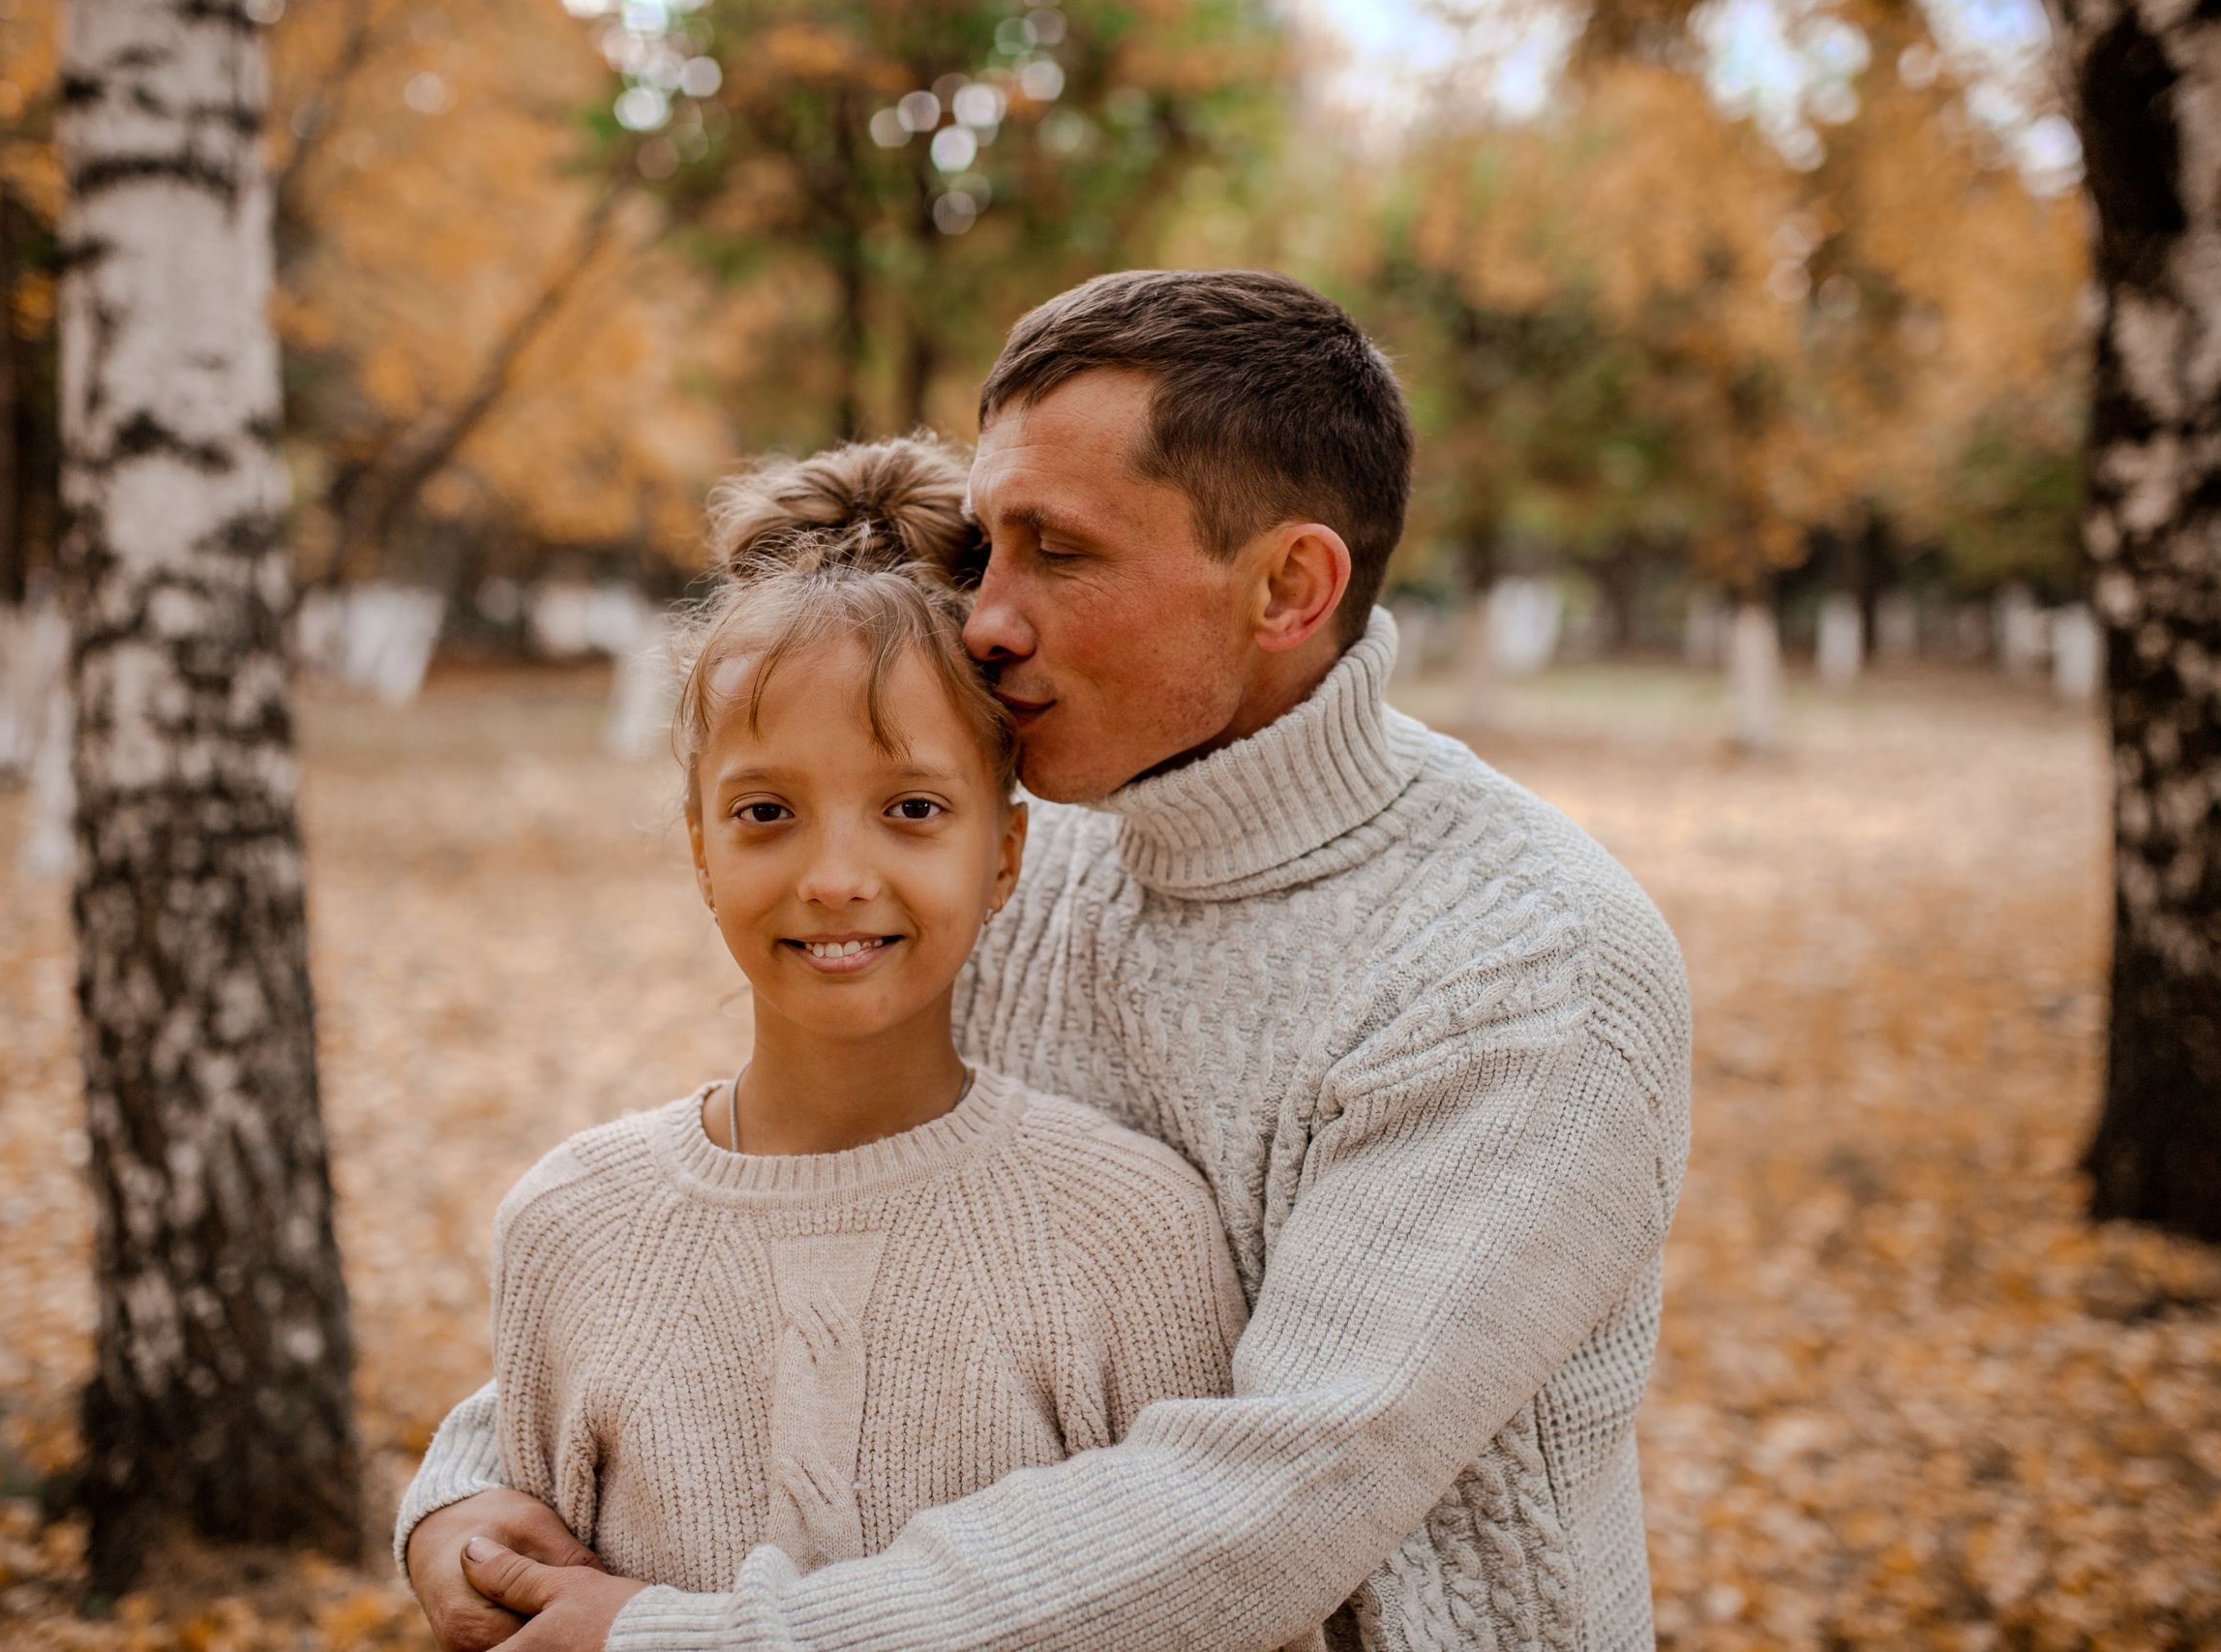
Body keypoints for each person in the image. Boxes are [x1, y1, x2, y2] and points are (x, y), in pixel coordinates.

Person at [405, 269, 1693, 1652]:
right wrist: (469, 1489)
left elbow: (1262, 1507)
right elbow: (776, 1203)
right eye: (986, 547)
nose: (985, 618)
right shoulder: (1043, 854)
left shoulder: (1528, 966)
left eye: (1057, 553)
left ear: (1290, 586)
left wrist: (685, 1638)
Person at [442, 436, 1325, 1650]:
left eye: (912, 809)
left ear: (1005, 854)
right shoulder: (570, 1226)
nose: (836, 879)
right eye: (766, 813)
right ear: (700, 848)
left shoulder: (1129, 1230)